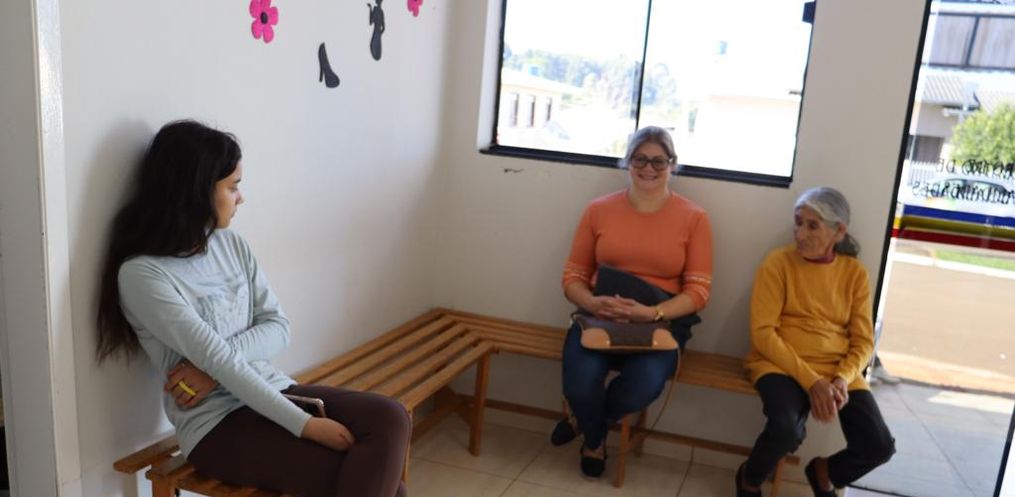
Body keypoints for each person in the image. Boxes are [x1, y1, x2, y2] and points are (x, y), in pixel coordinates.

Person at [95, 120, 411, 497]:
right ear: (196, 191)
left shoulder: (232, 246)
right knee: (381, 484)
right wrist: (306, 426)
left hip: (272, 389)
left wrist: (209, 371)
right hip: (217, 426)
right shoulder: (143, 275)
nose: (240, 198)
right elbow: (218, 357)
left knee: (391, 417)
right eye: (232, 186)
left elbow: (278, 326)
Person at [553, 126, 713, 477]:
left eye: (659, 161)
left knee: (642, 387)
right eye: (640, 159)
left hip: (660, 323)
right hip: (599, 317)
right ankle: (595, 441)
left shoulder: (694, 218)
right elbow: (573, 277)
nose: (648, 168)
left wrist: (651, 312)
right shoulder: (598, 210)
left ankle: (588, 425)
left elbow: (698, 292)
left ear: (672, 165)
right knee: (579, 381)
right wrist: (592, 303)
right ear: (627, 161)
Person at [737, 187, 895, 497]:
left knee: (878, 445)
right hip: (779, 364)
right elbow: (763, 333)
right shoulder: (777, 263)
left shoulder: (854, 273)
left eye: (812, 226)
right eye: (798, 223)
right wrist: (813, 382)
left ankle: (824, 472)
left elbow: (863, 341)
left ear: (839, 232)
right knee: (786, 430)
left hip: (838, 371)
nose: (800, 233)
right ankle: (749, 479)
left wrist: (841, 379)